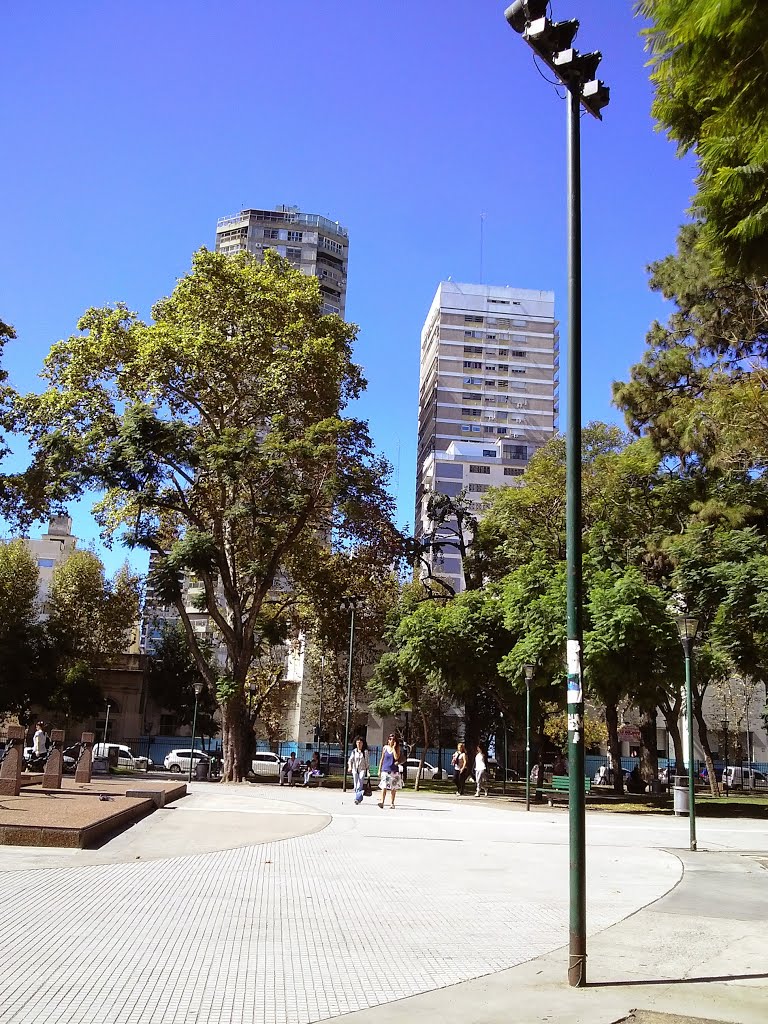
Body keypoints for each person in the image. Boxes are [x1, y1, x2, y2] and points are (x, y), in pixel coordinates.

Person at [377, 732, 403, 808]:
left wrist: (394, 748)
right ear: (388, 740)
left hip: (394, 771)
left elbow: (396, 758)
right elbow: (382, 759)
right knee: (384, 786)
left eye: (393, 739)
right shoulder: (385, 748)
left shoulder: (397, 748)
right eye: (390, 739)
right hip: (385, 770)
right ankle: (382, 802)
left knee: (393, 788)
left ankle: (392, 803)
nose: (391, 740)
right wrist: (379, 769)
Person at [348, 737, 369, 805]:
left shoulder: (365, 752)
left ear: (363, 744)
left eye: (360, 743)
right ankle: (359, 797)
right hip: (355, 769)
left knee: (360, 784)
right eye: (357, 743)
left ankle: (357, 798)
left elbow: (367, 763)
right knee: (355, 784)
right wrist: (350, 767)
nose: (359, 744)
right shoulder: (354, 751)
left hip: (362, 769)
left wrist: (368, 771)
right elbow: (350, 760)